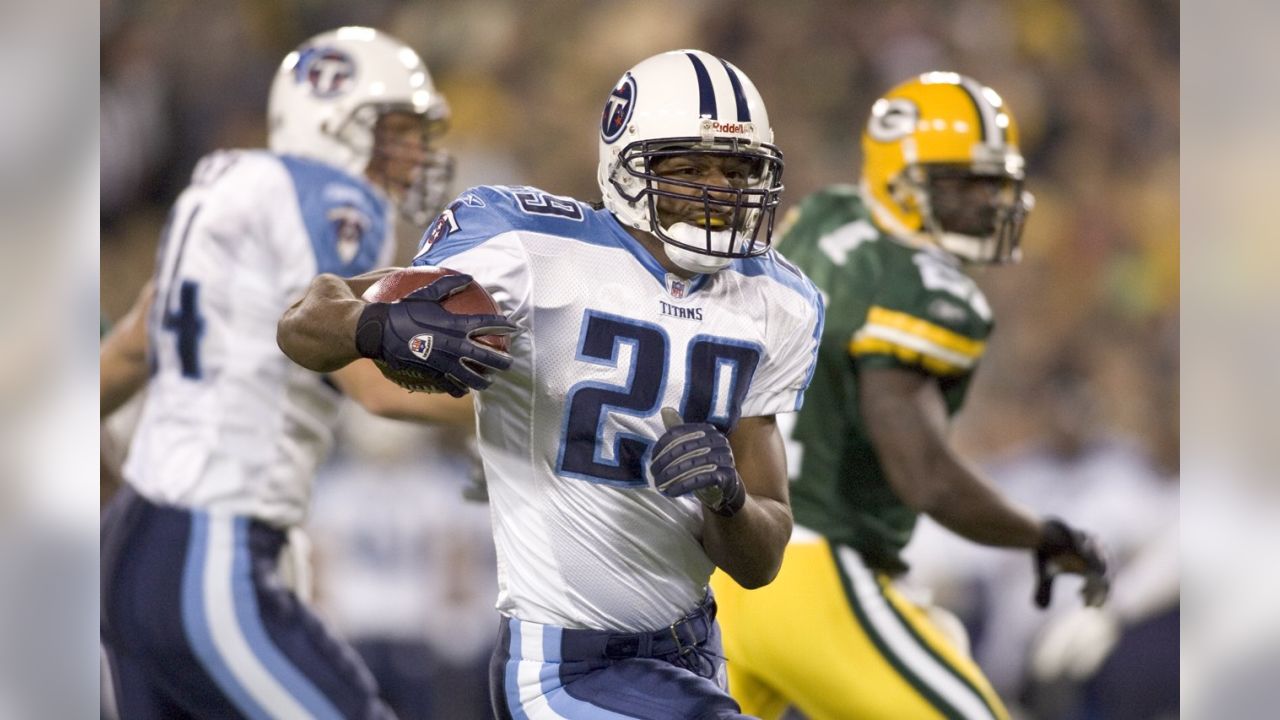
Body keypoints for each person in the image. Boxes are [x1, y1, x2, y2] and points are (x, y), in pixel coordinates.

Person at [278, 49, 824, 719]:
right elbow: (306, 322)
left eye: (737, 170)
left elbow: (760, 560)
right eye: (689, 167)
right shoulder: (528, 248)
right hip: (568, 665)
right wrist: (383, 330)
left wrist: (729, 499)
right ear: (628, 166)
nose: (718, 191)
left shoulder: (779, 300)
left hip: (695, 652)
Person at [707, 72, 1111, 720]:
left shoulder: (824, 218)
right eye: (963, 183)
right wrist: (1040, 535)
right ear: (902, 178)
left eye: (992, 180)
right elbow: (926, 477)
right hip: (815, 576)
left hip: (731, 570)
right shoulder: (926, 289)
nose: (987, 201)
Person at [100, 27, 470, 719]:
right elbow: (374, 388)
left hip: (133, 548)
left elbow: (126, 352)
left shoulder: (222, 189)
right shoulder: (331, 197)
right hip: (210, 552)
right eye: (396, 130)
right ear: (332, 121)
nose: (416, 151)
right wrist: (535, 412)